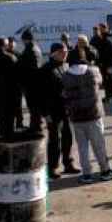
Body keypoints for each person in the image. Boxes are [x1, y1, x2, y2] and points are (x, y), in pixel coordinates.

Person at [62, 47, 112, 184]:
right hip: (94, 115)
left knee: (82, 147)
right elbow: (100, 82)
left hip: (76, 117)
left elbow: (64, 93)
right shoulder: (93, 71)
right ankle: (105, 171)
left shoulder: (65, 75)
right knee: (99, 144)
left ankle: (87, 174)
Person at [39, 43, 78, 179]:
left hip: (66, 109)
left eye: (66, 51)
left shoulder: (66, 66)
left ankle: (68, 163)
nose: (65, 53)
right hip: (52, 110)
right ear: (53, 53)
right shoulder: (45, 69)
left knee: (68, 137)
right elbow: (40, 94)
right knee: (55, 140)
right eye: (62, 52)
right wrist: (45, 113)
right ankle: (52, 167)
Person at [18, 30, 43, 131]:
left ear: (26, 40)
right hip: (35, 82)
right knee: (35, 105)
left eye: (23, 40)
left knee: (33, 105)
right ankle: (37, 123)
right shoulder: (36, 48)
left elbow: (27, 67)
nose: (23, 42)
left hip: (31, 83)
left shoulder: (30, 50)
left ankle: (35, 126)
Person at [90, 24, 112, 101]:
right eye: (98, 29)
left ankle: (109, 96)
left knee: (108, 80)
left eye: (100, 29)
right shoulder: (97, 38)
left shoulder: (107, 38)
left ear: (104, 29)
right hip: (101, 63)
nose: (99, 31)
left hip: (106, 63)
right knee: (105, 80)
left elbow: (108, 53)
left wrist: (108, 64)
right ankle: (109, 95)